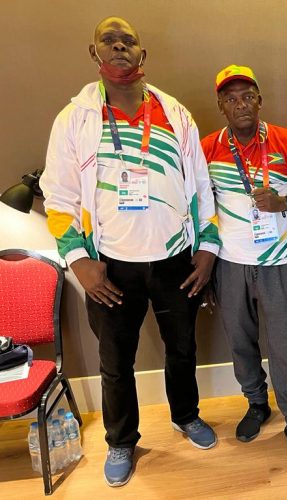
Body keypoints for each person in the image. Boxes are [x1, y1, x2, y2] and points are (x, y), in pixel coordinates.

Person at [40, 17, 221, 487]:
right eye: (109, 41)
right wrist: (80, 262)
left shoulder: (175, 113)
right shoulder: (75, 118)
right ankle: (121, 439)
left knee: (182, 348)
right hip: (109, 267)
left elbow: (201, 185)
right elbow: (57, 196)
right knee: (115, 361)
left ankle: (186, 415)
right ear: (94, 53)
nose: (120, 47)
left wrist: (207, 249)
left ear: (143, 54)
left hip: (175, 260)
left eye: (129, 42)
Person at [200, 64, 287, 464]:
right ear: (221, 105)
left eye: (248, 96)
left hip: (275, 260)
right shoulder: (208, 148)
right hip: (229, 262)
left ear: (260, 100)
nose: (241, 105)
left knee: (284, 345)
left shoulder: (286, 141)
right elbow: (200, 210)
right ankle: (257, 404)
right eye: (231, 98)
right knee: (240, 340)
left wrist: (284, 202)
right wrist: (202, 269)